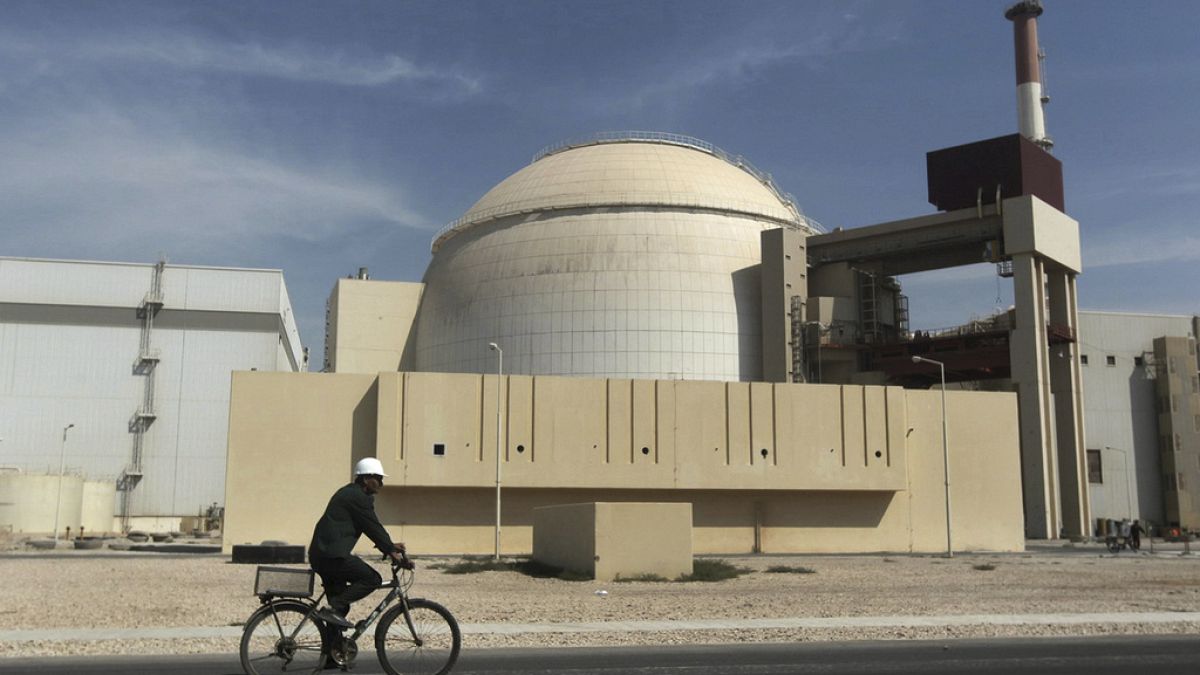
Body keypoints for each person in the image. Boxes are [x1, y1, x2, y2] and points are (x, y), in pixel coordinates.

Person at [308, 457, 406, 629]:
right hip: (331, 556)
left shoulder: (351, 493)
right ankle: (332, 608)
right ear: (366, 478)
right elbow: (372, 525)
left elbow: (369, 526)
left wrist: (390, 545)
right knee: (372, 579)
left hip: (323, 555)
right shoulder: (357, 497)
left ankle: (332, 653)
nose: (381, 484)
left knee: (339, 610)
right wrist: (390, 550)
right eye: (378, 478)